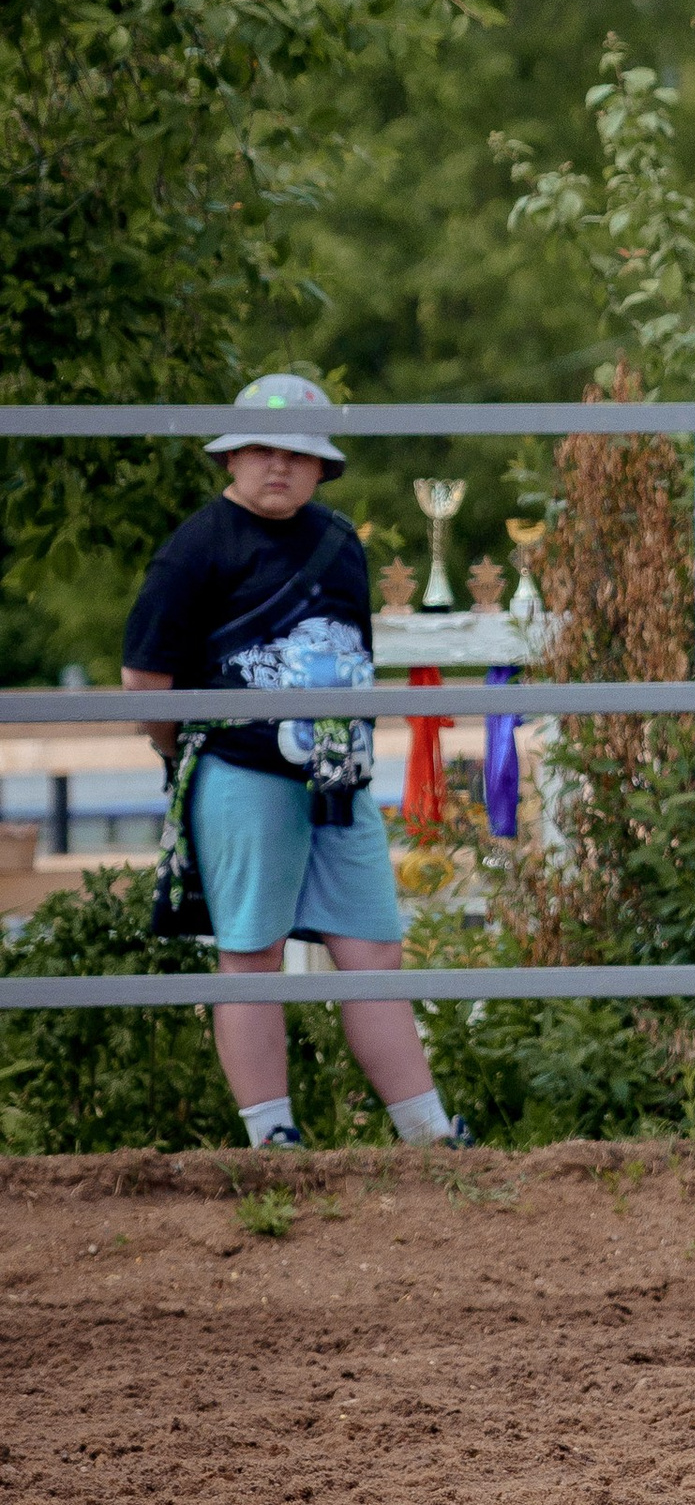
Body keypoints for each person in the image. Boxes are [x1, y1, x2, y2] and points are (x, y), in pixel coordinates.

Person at [122, 371, 463, 1151]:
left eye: (296, 453)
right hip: (243, 770)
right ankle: (272, 1141)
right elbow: (144, 678)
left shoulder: (340, 541)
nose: (278, 465)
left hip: (339, 778)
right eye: (261, 449)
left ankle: (428, 1138)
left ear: (320, 466)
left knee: (374, 951)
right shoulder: (197, 546)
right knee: (253, 954)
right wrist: (186, 755)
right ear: (232, 457)